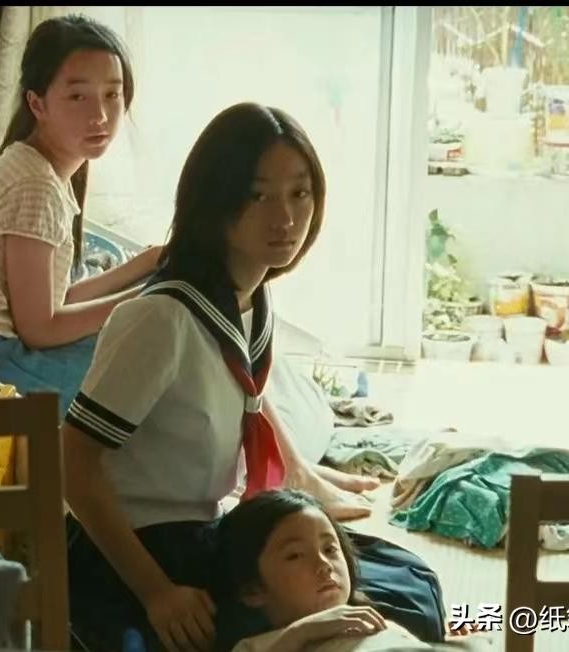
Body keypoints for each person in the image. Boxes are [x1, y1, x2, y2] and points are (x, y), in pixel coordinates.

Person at [62, 102, 393, 652]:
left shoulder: (251, 297)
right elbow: (72, 461)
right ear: (214, 200)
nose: (285, 218)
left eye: (300, 193)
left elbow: (250, 401)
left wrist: (300, 479)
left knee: (397, 583)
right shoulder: (160, 319)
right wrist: (156, 592)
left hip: (206, 533)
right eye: (258, 196)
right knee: (344, 620)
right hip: (133, 556)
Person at [0, 15, 163, 415]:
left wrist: (147, 263)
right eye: (78, 97)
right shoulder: (35, 186)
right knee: (142, 364)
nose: (100, 115)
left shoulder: (37, 166)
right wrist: (145, 298)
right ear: (37, 104)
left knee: (142, 332)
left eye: (112, 94)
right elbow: (40, 328)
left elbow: (56, 296)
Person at [215, 490, 453, 652]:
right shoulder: (259, 646)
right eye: (295, 555)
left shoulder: (379, 622)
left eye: (330, 549)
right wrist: (301, 633)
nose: (325, 565)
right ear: (253, 590)